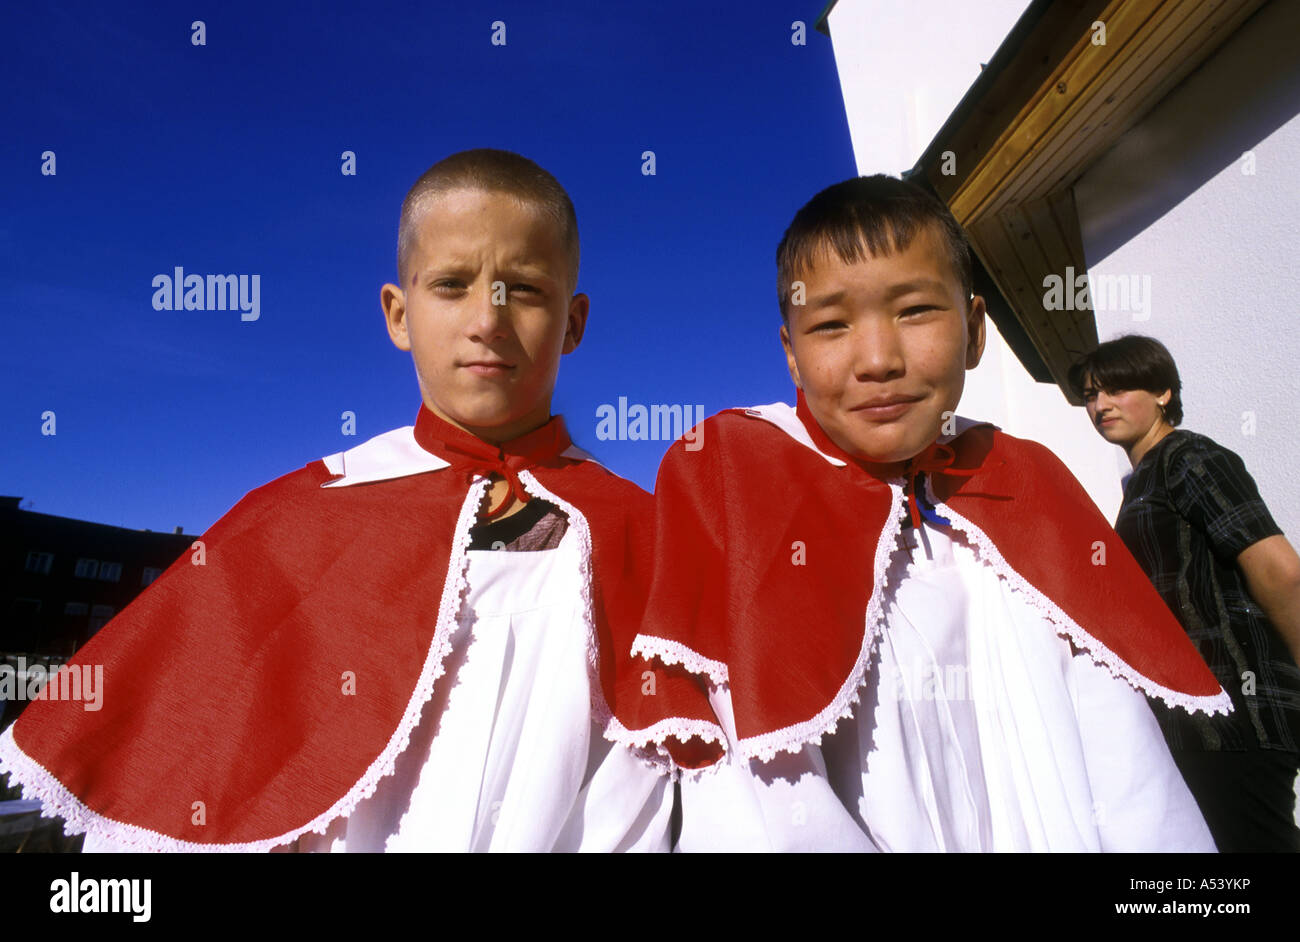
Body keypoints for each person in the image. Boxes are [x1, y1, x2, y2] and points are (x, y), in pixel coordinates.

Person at [0, 148, 708, 852]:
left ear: (575, 322)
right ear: (398, 315)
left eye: (524, 288)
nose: (487, 320)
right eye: (452, 284)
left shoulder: (653, 537)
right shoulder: (293, 518)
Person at [626, 174, 1227, 852]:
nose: (879, 360)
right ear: (791, 356)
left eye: (915, 311)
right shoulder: (737, 474)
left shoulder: (1025, 481)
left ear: (974, 330)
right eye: (830, 325)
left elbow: (1130, 770)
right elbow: (761, 792)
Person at [1069, 335, 1300, 852]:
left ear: (1164, 393)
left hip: (1240, 712)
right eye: (1090, 394)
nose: (1100, 405)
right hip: (1194, 720)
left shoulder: (1188, 457)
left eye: (1117, 389)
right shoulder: (1143, 481)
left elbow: (1281, 572)